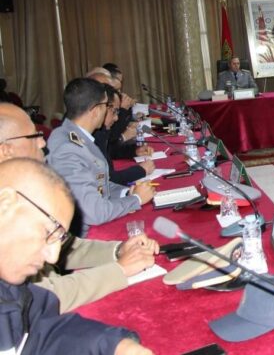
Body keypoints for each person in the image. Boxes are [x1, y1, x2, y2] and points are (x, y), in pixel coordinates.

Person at [0, 102, 158, 313]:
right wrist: (120, 270)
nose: (42, 142)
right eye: (33, 136)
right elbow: (44, 297)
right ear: (5, 150)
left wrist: (117, 250)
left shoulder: (19, 186)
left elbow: (65, 246)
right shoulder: (10, 205)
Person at [0, 158, 153, 354]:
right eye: (48, 232)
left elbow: (41, 329)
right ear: (5, 204)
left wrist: (114, 346)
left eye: (59, 238)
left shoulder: (12, 288)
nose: (53, 257)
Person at [47, 78, 155, 237]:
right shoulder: (67, 149)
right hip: (84, 238)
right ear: (96, 110)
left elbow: (99, 183)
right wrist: (136, 199)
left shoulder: (75, 135)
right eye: (107, 106)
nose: (110, 113)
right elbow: (94, 212)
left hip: (98, 222)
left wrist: (127, 192)